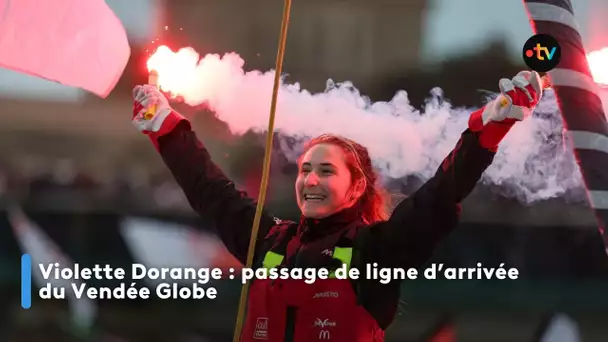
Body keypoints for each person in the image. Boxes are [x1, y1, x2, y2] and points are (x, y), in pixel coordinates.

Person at [131, 70, 542, 341]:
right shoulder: (268, 242)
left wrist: (491, 126)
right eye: (305, 169)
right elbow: (208, 188)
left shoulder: (378, 250)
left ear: (356, 186)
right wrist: (165, 128)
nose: (310, 179)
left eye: (326, 171)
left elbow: (443, 192)